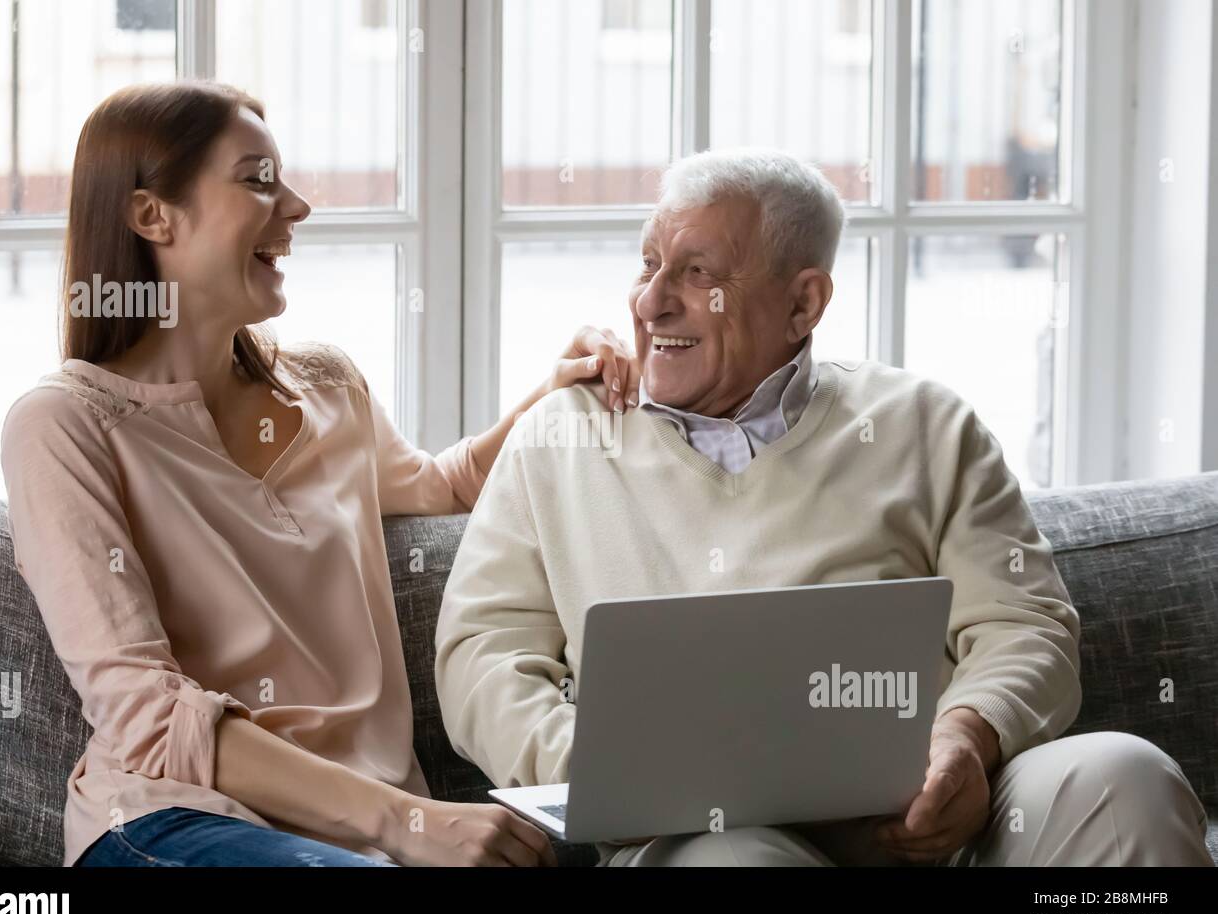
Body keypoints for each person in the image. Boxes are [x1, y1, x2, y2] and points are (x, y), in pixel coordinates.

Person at [433, 147, 1214, 867]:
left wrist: (968, 737)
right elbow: (481, 652)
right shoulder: (560, 440)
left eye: (694, 273)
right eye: (647, 264)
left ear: (803, 303)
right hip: (699, 834)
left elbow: (1025, 622)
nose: (649, 301)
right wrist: (601, 769)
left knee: (1124, 778)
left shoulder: (926, 424)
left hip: (940, 821)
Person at [1, 80, 641, 867]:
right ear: (152, 216)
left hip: (376, 837)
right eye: (257, 181)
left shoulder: (329, 387)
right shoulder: (64, 425)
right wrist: (413, 822)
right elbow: (149, 718)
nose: (297, 206)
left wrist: (557, 390)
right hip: (179, 823)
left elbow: (445, 486)